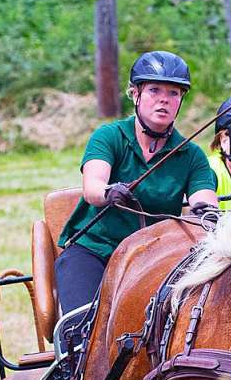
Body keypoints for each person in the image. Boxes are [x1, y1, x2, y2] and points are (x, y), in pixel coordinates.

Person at [56, 50, 219, 315]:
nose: (164, 100)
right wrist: (109, 192)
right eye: (155, 90)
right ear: (135, 94)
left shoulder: (191, 156)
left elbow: (204, 199)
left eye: (174, 93)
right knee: (79, 329)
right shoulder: (109, 136)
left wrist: (208, 212)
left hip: (154, 259)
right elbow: (93, 188)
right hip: (95, 252)